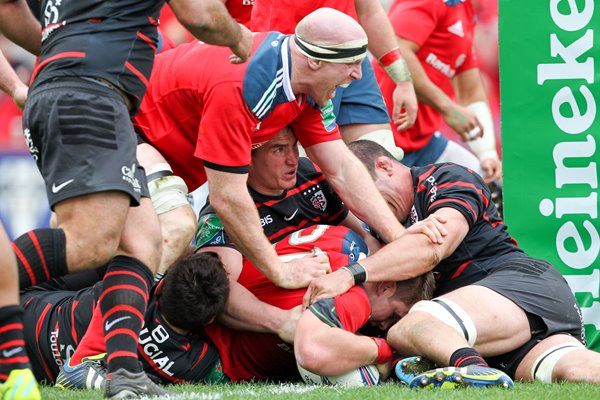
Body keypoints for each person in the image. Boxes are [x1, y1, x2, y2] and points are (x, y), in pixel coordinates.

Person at [8, 0, 251, 398]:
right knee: (89, 243)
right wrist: (244, 43)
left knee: (143, 242)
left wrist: (59, 46)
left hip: (93, 97)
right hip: (91, 97)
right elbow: (200, 16)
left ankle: (123, 372)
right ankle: (92, 362)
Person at [132, 7, 407, 291]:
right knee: (175, 227)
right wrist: (280, 271)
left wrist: (399, 238)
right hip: (131, 130)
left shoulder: (305, 86)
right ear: (314, 61)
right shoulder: (245, 85)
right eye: (350, 63)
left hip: (167, 151)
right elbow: (227, 197)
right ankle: (117, 323)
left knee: (154, 247)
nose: (359, 75)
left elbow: (341, 168)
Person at [304, 140, 600, 388]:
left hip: (522, 287)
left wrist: (350, 274)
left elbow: (430, 249)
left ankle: (472, 372)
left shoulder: (446, 178)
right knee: (574, 371)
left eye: (365, 194)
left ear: (385, 166)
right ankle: (478, 368)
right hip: (495, 334)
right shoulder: (376, 231)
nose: (363, 210)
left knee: (412, 325)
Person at [47, 224, 433, 387]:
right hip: (205, 342)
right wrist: (390, 348)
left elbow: (219, 261)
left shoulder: (342, 237)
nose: (386, 325)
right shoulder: (197, 364)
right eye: (394, 315)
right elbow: (314, 350)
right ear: (385, 285)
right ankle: (82, 364)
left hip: (77, 309)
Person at [19, 252, 229, 388]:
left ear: (162, 285)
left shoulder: (123, 283)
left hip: (21, 311)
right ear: (209, 320)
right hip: (30, 369)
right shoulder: (196, 364)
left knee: (105, 251)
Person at [251, 0, 416, 155]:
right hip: (295, 68)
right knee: (302, 168)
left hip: (352, 58)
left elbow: (369, 13)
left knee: (381, 155)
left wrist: (403, 80)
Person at [373, 0, 502, 184]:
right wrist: (448, 108)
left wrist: (486, 153)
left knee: (486, 185)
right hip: (384, 138)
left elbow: (470, 91)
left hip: (424, 142)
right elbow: (392, 48)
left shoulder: (464, 12)